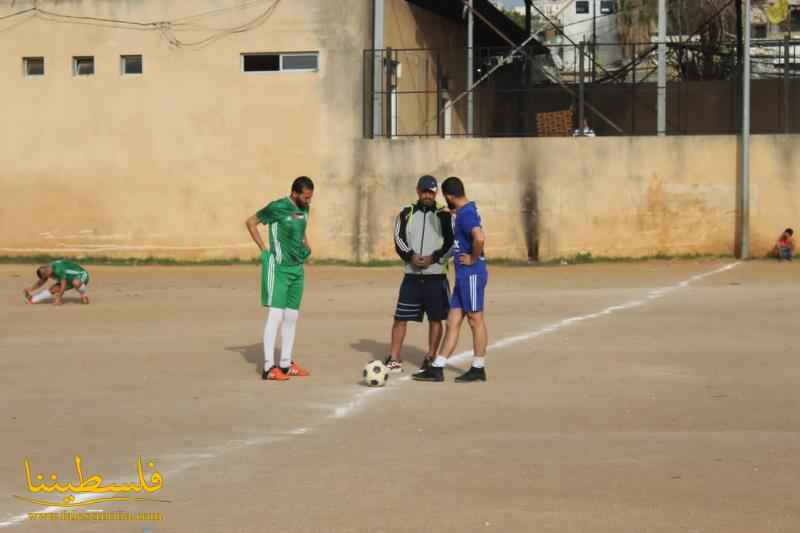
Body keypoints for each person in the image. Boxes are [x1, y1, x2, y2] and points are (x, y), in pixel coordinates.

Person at [413, 176, 488, 383]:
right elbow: (465, 222)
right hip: (463, 276)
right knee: (453, 321)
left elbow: (479, 237)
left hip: (472, 273)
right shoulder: (464, 211)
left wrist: (473, 257)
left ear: (448, 196)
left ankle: (478, 367)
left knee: (475, 320)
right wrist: (453, 214)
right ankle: (438, 367)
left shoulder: (466, 214)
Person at [245, 177, 314, 381]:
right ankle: (268, 368)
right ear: (294, 193)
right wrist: (264, 251)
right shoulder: (278, 207)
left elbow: (302, 229)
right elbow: (251, 223)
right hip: (279, 269)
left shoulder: (304, 208)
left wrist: (306, 245)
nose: (309, 201)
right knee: (276, 315)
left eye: (311, 198)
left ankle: (285, 364)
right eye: (306, 197)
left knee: (291, 317)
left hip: (297, 270)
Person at [385, 175, 454, 373]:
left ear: (436, 193)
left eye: (431, 192)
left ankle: (431, 356)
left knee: (435, 319)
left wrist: (435, 258)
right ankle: (394, 357)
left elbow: (451, 242)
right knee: (400, 318)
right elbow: (398, 238)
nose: (427, 195)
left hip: (436, 275)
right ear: (418, 191)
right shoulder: (406, 213)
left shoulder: (444, 214)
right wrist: (410, 256)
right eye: (424, 191)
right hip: (412, 275)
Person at [24, 260, 90, 305]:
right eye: (45, 275)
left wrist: (59, 298)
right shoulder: (48, 270)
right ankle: (33, 300)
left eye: (45, 275)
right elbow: (41, 282)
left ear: (46, 270)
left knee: (76, 282)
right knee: (53, 289)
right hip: (69, 279)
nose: (46, 272)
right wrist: (30, 289)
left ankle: (83, 296)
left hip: (81, 275)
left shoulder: (58, 269)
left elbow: (63, 285)